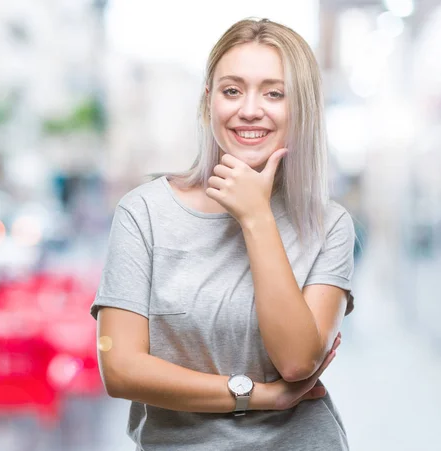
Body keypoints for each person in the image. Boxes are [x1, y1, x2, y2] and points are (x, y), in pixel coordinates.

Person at [90, 17, 356, 450]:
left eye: (274, 92)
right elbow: (120, 370)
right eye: (232, 90)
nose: (249, 109)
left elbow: (296, 361)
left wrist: (256, 217)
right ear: (208, 101)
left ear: (302, 106)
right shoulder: (145, 212)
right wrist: (257, 395)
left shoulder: (328, 224)